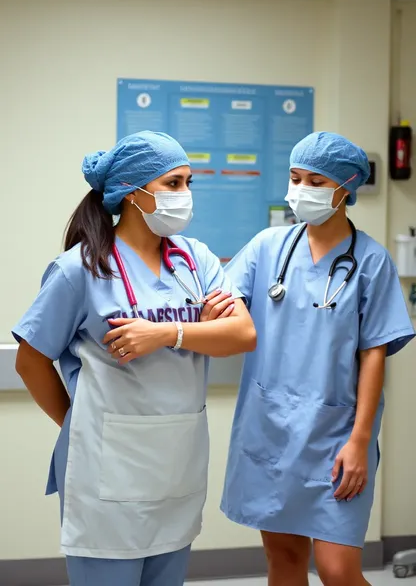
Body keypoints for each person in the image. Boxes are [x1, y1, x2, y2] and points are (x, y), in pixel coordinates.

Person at [13, 131, 256, 586]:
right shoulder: (79, 268)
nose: (185, 196)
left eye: (188, 183)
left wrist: (168, 333)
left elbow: (242, 333)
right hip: (106, 472)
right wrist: (79, 423)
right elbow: (29, 361)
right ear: (131, 193)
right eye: (173, 184)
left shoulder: (195, 260)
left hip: (176, 466)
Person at [221, 132, 415, 586]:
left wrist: (360, 441)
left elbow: (375, 355)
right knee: (285, 561)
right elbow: (222, 306)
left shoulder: (370, 261)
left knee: (337, 570)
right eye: (295, 177)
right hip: (270, 429)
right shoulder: (268, 247)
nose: (301, 190)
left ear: (345, 188)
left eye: (315, 180)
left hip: (337, 436)